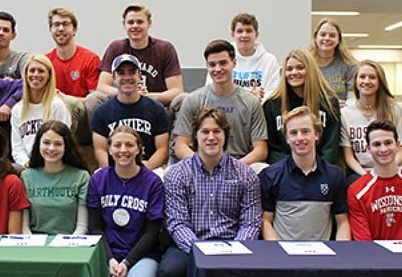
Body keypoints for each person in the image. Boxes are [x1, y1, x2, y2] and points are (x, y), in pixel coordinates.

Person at [160, 107, 260, 277]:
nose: (211, 137)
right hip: (190, 244)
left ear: (225, 135)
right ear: (195, 136)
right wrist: (200, 251)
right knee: (169, 271)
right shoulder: (177, 174)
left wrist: (234, 250)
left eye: (217, 131)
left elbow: (250, 223)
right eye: (205, 131)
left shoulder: (245, 174)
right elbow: (177, 223)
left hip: (233, 243)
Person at [173, 40, 268, 168]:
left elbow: (261, 150)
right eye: (212, 64)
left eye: (223, 63)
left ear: (234, 63)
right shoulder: (193, 100)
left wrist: (233, 167)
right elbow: (180, 146)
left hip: (239, 164)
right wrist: (202, 164)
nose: (217, 69)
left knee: (261, 168)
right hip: (201, 163)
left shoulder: (251, 102)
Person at [260, 106, 350, 240]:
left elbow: (342, 222)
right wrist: (277, 253)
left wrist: (339, 256)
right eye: (293, 133)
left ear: (316, 135)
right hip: (284, 256)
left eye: (305, 131)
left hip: (322, 256)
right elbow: (266, 221)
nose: (299, 138)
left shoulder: (334, 175)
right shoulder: (270, 175)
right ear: (286, 138)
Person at [88, 126, 164, 277]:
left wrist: (127, 262)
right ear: (109, 149)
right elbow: (96, 228)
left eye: (129, 145)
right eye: (117, 145)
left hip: (142, 255)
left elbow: (151, 232)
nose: (123, 150)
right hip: (106, 253)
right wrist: (110, 259)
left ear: (139, 150)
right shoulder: (98, 180)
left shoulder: (153, 183)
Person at [92, 4, 185, 120]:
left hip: (156, 106)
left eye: (140, 22)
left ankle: (179, 138)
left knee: (183, 98)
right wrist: (128, 94)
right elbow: (102, 86)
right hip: (122, 103)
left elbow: (177, 90)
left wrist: (148, 97)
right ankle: (98, 136)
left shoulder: (165, 48)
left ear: (149, 23)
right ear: (124, 25)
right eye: (130, 22)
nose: (135, 26)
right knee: (94, 98)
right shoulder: (115, 48)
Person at [347, 120, 402, 240]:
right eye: (377, 144)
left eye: (388, 143)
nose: (383, 149)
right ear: (368, 148)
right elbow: (363, 243)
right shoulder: (356, 191)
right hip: (375, 258)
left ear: (397, 145)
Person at [91, 54, 171, 173]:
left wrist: (142, 171)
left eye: (132, 72)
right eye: (121, 73)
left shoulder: (156, 109)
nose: (127, 77)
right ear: (113, 77)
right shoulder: (102, 112)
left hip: (148, 166)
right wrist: (116, 171)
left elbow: (162, 149)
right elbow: (100, 150)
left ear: (139, 75)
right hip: (114, 166)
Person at [262, 49, 341, 165]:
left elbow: (331, 146)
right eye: (289, 69)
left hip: (321, 169)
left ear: (310, 70)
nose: (294, 72)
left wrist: (316, 169)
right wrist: (294, 168)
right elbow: (273, 148)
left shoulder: (329, 102)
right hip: (285, 169)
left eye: (300, 67)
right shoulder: (272, 104)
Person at [340, 60, 402, 180]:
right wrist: (369, 176)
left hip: (393, 170)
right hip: (361, 173)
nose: (366, 81)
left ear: (380, 82)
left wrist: (385, 173)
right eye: (362, 77)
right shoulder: (345, 113)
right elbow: (349, 156)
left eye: (372, 77)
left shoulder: (397, 109)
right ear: (355, 81)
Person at [22, 120, 90, 235]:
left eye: (58, 144)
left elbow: (82, 226)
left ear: (66, 146)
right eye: (46, 143)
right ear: (38, 144)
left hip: (69, 244)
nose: (51, 148)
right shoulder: (27, 176)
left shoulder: (81, 177)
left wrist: (69, 244)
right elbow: (24, 227)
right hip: (35, 244)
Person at [45, 7, 100, 144]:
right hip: (54, 115)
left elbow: (95, 99)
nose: (61, 29)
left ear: (74, 29)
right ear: (51, 30)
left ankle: (64, 144)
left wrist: (64, 98)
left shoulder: (90, 59)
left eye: (65, 24)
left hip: (83, 120)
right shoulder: (46, 62)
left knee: (66, 103)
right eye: (56, 25)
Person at [10, 54, 71, 169]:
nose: (36, 74)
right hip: (26, 166)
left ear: (49, 76)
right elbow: (17, 147)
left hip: (53, 162)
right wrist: (26, 162)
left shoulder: (57, 106)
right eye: (32, 70)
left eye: (41, 71)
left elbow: (65, 141)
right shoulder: (17, 110)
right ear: (26, 75)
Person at [204, 12, 280, 101]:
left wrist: (254, 101)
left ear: (256, 34)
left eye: (249, 31)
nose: (244, 35)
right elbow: (211, 91)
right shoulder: (222, 58)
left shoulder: (269, 61)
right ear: (233, 35)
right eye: (240, 31)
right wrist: (248, 97)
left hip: (259, 110)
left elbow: (273, 93)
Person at [310, 18, 359, 103]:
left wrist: (344, 105)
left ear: (338, 40)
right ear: (315, 37)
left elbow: (353, 97)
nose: (327, 38)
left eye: (332, 35)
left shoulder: (349, 65)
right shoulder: (306, 63)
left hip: (341, 113)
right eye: (323, 34)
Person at [0, 11, 31, 81]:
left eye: (5, 30)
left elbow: (29, 84)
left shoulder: (21, 59)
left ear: (13, 36)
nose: (1, 33)